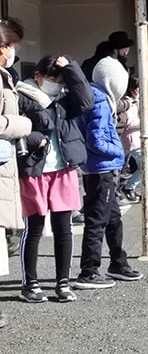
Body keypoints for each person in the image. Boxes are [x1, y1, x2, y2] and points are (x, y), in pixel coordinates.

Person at [16, 55, 93, 303]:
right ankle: (31, 284)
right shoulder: (22, 95)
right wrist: (33, 139)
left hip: (64, 168)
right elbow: (14, 129)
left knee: (64, 228)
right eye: (51, 79)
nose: (56, 84)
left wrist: (71, 68)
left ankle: (63, 283)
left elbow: (86, 101)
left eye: (59, 80)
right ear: (37, 76)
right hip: (34, 168)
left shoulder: (65, 98)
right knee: (34, 228)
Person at [73, 57, 142, 289]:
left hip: (98, 168)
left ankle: (118, 263)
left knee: (112, 218)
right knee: (97, 219)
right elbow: (96, 140)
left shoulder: (95, 96)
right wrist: (118, 152)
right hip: (102, 168)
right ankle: (89, 271)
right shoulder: (101, 101)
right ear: (113, 82)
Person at [0, 19, 33, 326]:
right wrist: (22, 125)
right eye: (10, 45)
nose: (13, 51)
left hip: (5, 167)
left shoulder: (5, 76)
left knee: (7, 238)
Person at [116, 75, 147, 202]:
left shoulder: (135, 101)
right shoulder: (128, 103)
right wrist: (146, 121)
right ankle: (129, 187)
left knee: (142, 166)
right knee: (145, 166)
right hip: (132, 139)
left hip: (137, 138)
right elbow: (128, 123)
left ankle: (130, 187)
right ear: (133, 89)